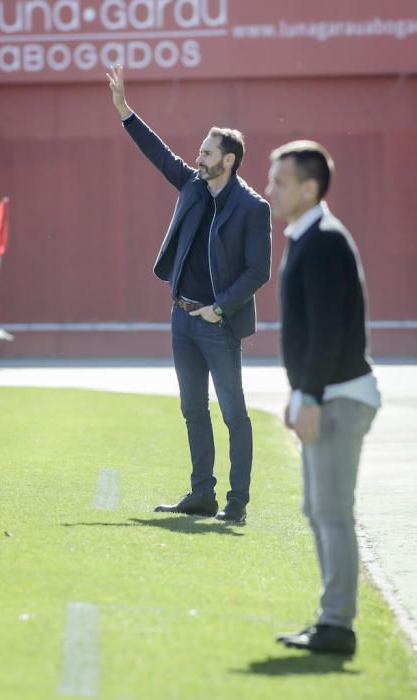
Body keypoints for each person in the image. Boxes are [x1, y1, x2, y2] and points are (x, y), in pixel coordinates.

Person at [107, 65, 272, 523]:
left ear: (229, 160)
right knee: (192, 409)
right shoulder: (191, 186)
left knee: (234, 414)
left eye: (206, 153)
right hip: (181, 318)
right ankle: (202, 494)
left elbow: (259, 270)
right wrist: (125, 111)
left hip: (218, 323)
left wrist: (221, 309)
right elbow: (157, 153)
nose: (197, 158)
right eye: (198, 151)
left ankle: (236, 504)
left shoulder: (253, 207)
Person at [266, 141, 381, 654]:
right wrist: (300, 395)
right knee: (318, 509)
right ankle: (330, 620)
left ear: (308, 188)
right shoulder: (305, 237)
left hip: (336, 397)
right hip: (321, 394)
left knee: (332, 511)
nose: (270, 189)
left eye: (280, 181)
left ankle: (338, 626)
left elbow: (330, 331)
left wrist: (308, 396)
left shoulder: (326, 240)